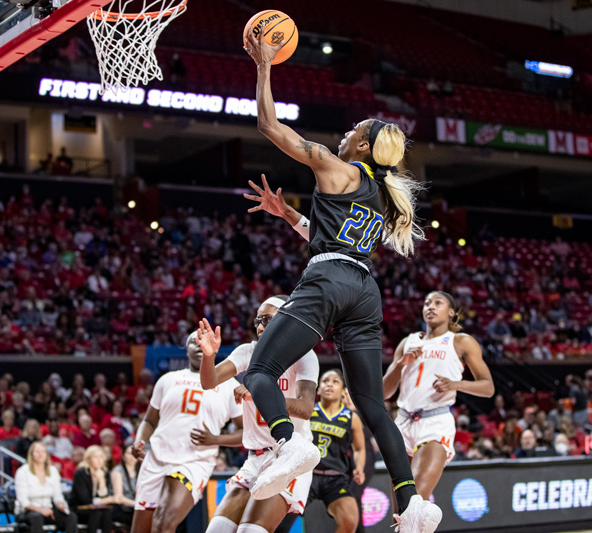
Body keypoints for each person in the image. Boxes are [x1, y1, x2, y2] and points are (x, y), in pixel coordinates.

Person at [241, 30, 439, 525]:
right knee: (373, 406)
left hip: (328, 281)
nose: (347, 131)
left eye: (356, 128)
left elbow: (268, 124)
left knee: (259, 372)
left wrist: (265, 64)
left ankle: (289, 445)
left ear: (365, 144)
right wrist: (288, 215)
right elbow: (336, 236)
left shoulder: (336, 165)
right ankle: (412, 503)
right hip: (364, 290)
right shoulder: (381, 190)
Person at [198, 296, 318, 533]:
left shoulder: (304, 355)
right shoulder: (247, 351)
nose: (260, 326)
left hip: (289, 458)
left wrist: (260, 394)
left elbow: (305, 408)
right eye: (257, 321)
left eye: (267, 319)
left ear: (286, 320)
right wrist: (209, 356)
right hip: (255, 458)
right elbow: (208, 381)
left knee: (249, 531)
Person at [383, 291, 493, 503]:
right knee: (400, 515)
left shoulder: (460, 341)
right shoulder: (408, 342)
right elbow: (385, 392)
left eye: (437, 303)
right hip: (403, 422)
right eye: (426, 303)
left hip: (434, 421)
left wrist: (455, 384)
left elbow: (488, 387)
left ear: (451, 312)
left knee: (411, 502)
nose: (430, 307)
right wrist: (399, 364)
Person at [131, 332, 242, 533]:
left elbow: (247, 433)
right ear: (186, 348)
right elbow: (149, 420)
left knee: (163, 525)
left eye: (205, 342)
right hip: (155, 460)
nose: (200, 346)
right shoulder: (168, 379)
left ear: (215, 348)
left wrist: (216, 439)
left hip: (193, 462)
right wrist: (139, 441)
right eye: (195, 342)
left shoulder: (228, 385)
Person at [308, 370, 366, 533]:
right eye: (325, 381)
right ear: (318, 389)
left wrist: (359, 467)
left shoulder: (351, 417)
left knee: (350, 521)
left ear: (343, 391)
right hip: (307, 474)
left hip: (336, 477)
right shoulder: (308, 411)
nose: (329, 385)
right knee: (281, 520)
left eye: (335, 382)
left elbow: (359, 448)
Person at [15, 442, 78, 533]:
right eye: (37, 452)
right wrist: (40, 510)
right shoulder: (22, 472)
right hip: (28, 511)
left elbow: (58, 496)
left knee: (71, 517)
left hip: (48, 509)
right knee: (37, 517)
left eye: (43, 452)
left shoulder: (53, 471)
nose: (40, 454)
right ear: (31, 454)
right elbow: (23, 501)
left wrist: (61, 505)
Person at [70, 446, 116, 533]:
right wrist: (106, 500)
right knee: (96, 513)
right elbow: (85, 499)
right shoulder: (80, 474)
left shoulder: (105, 473)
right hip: (80, 509)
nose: (99, 460)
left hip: (98, 509)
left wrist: (101, 480)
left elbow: (105, 496)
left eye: (101, 457)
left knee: (107, 512)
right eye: (95, 457)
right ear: (88, 459)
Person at [110, 445, 139, 527]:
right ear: (123, 455)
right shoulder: (117, 471)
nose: (132, 457)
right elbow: (119, 498)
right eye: (129, 454)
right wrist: (137, 504)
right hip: (121, 509)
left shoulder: (141, 470)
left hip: (135, 508)